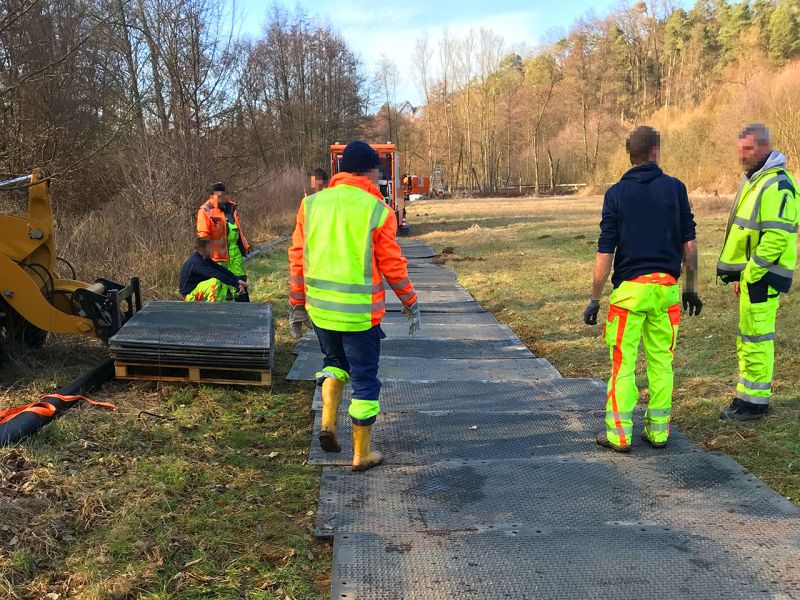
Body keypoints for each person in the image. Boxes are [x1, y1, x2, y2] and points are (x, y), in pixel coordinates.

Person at [288, 140, 421, 472]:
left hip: (321, 309)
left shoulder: (311, 205)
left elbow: (297, 259)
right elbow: (392, 264)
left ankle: (327, 423)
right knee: (365, 380)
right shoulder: (377, 210)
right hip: (360, 315)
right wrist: (410, 301)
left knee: (334, 363)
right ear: (372, 171)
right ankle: (361, 455)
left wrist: (296, 304)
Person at [583, 125, 703, 453]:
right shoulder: (676, 189)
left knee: (623, 364)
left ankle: (619, 435)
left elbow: (605, 252)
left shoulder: (616, 195)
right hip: (666, 292)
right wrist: (690, 288)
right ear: (655, 151)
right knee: (661, 362)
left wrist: (595, 299)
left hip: (629, 295)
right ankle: (659, 432)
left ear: (630, 155)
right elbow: (689, 245)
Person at [716, 124, 798, 421]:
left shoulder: (777, 184)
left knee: (758, 339)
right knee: (749, 337)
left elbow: (777, 236)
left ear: (765, 147)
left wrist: (752, 271)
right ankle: (746, 397)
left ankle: (755, 404)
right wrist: (740, 273)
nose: (742, 155)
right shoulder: (755, 180)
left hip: (763, 277)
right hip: (753, 276)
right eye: (740, 149)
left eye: (748, 149)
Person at [197, 182, 252, 302]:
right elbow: (203, 234)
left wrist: (245, 245)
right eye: (217, 195)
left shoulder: (231, 208)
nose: (220, 198)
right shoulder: (205, 211)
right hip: (217, 255)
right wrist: (204, 256)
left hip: (234, 252)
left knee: (241, 279)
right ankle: (225, 311)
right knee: (222, 284)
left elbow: (238, 229)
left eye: (222, 195)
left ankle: (244, 308)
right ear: (211, 196)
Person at [179, 238, 248, 302]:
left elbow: (220, 269)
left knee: (223, 280)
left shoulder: (204, 258)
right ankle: (213, 309)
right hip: (189, 296)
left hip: (198, 289)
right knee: (216, 281)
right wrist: (236, 285)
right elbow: (216, 274)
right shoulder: (197, 262)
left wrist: (237, 280)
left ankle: (225, 306)